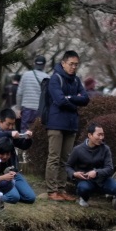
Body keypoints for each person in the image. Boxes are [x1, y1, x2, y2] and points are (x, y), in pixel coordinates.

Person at [44, 50, 89, 199]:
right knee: (54, 158)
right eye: (71, 64)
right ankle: (52, 191)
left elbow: (86, 99)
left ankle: (61, 190)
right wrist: (74, 101)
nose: (74, 67)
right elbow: (59, 100)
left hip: (71, 124)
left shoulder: (76, 80)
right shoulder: (55, 78)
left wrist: (70, 98)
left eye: (76, 64)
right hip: (56, 123)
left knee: (66, 160)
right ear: (63, 63)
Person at [68, 123, 116, 231]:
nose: (101, 138)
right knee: (83, 188)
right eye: (98, 135)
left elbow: (109, 168)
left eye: (103, 135)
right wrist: (74, 174)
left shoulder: (105, 149)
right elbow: (68, 166)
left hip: (103, 180)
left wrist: (97, 172)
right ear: (90, 135)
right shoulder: (78, 150)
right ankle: (84, 198)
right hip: (86, 181)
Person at [0, 137, 36, 204]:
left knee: (31, 198)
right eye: (2, 154)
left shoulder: (12, 155)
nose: (5, 157)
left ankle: (14, 193)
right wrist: (2, 177)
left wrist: (13, 171)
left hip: (12, 176)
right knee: (14, 197)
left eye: (7, 154)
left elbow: (14, 167)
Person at [15, 55, 48, 133]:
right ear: (44, 65)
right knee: (37, 132)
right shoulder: (47, 77)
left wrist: (18, 108)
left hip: (27, 109)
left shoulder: (25, 75)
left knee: (24, 130)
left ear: (34, 64)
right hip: (40, 110)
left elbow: (19, 93)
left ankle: (24, 144)